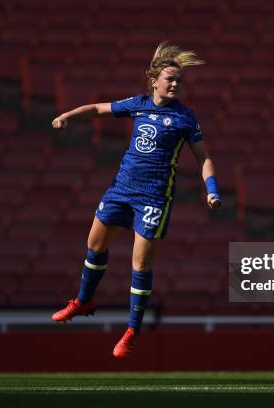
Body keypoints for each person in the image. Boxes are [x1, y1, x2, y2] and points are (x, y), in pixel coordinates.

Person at [50, 43, 220, 358]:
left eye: (179, 81)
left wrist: (212, 189)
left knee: (140, 263)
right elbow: (97, 109)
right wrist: (67, 115)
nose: (175, 85)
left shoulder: (185, 118)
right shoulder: (138, 104)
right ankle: (83, 300)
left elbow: (204, 158)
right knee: (95, 245)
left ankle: (131, 331)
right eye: (169, 79)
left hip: (153, 198)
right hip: (121, 189)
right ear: (153, 81)